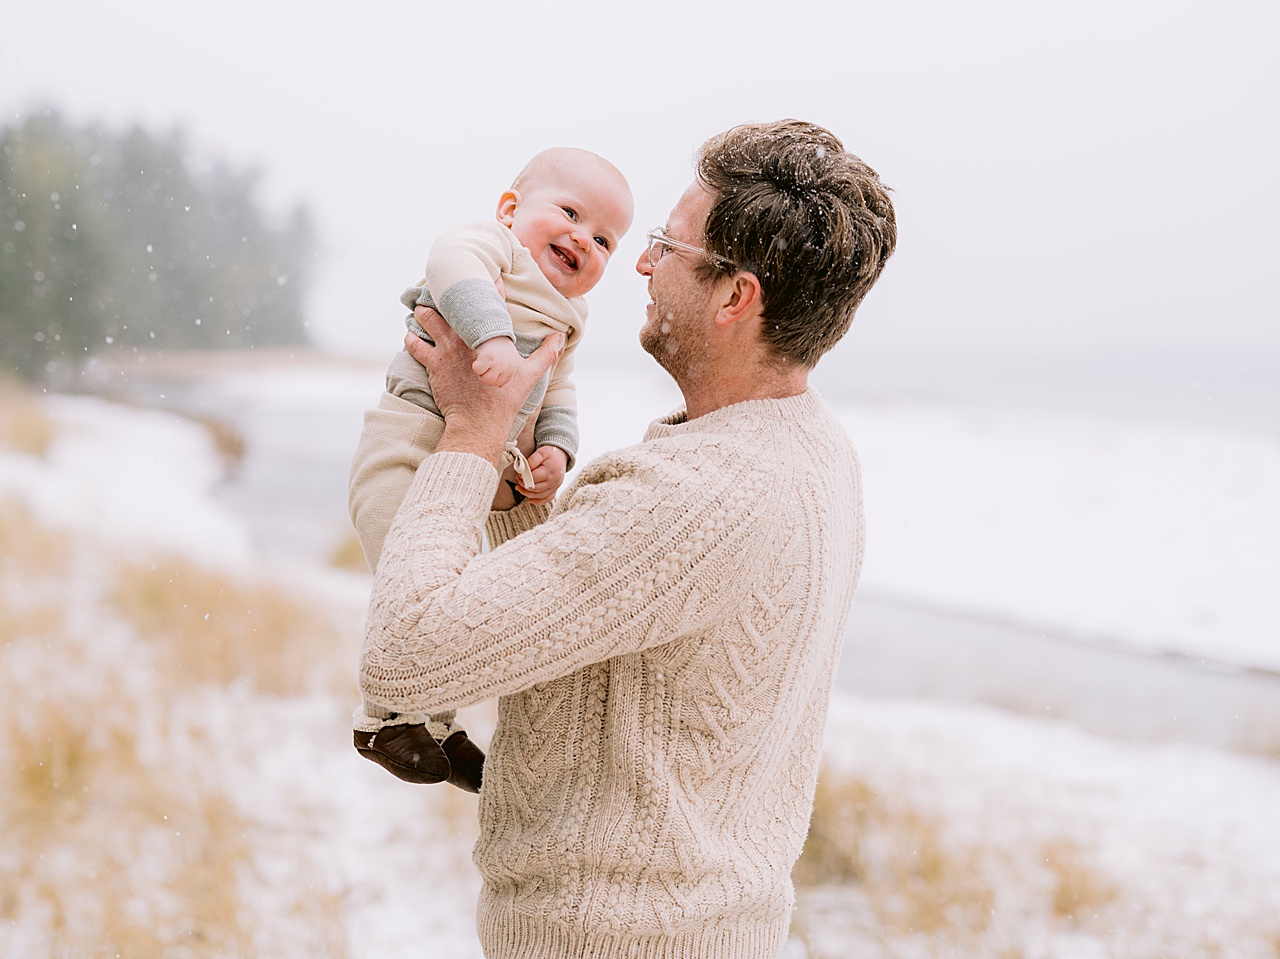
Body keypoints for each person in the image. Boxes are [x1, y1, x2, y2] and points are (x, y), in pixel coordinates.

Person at [359, 119, 896, 959]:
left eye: (664, 247)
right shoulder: (815, 451)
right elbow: (593, 610)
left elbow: (404, 655)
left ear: (734, 298)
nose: (639, 265)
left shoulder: (691, 497)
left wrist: (470, 427)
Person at [347, 147, 634, 791]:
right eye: (569, 212)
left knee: (453, 586)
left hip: (472, 471)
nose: (581, 239)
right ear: (510, 210)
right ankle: (381, 719)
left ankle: (436, 726)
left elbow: (558, 388)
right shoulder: (492, 246)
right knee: (407, 570)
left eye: (605, 240)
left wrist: (556, 450)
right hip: (407, 443)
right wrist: (493, 338)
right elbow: (452, 269)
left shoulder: (570, 316)